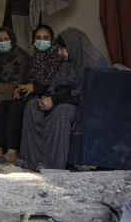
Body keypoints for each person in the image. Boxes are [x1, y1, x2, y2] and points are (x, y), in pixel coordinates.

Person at [18, 27, 108, 170]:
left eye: (61, 49)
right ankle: (31, 160)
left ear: (72, 45)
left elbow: (86, 92)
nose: (59, 53)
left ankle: (52, 165)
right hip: (60, 98)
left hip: (82, 104)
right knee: (32, 106)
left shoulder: (94, 61)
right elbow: (55, 84)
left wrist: (54, 100)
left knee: (61, 112)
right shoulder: (69, 61)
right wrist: (48, 97)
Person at [0, 24, 63, 162]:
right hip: (34, 92)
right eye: (38, 38)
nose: (42, 41)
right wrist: (21, 91)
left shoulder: (57, 57)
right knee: (5, 105)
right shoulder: (36, 57)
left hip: (47, 95)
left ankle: (12, 151)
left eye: (45, 38)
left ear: (52, 39)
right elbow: (31, 80)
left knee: (15, 108)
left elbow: (54, 82)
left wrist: (35, 88)